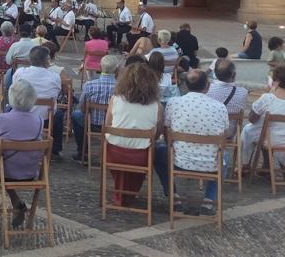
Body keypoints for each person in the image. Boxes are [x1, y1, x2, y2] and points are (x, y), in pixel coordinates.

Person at [163, 69, 229, 216]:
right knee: (224, 156)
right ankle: (209, 201)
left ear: (185, 85)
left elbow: (167, 133)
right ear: (207, 85)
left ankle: (175, 198)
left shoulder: (173, 103)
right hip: (210, 163)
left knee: (161, 151)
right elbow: (224, 138)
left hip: (179, 160)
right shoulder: (220, 107)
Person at [103, 61, 167, 207]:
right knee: (152, 149)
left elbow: (107, 125)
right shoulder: (157, 106)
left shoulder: (115, 100)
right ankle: (129, 193)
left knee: (115, 146)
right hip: (141, 156)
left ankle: (121, 193)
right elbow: (156, 135)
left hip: (114, 153)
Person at [0, 80, 45, 228]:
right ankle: (16, 203)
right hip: (30, 172)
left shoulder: (2, 119)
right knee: (5, 164)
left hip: (5, 171)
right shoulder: (39, 120)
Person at [12, 46, 65, 158]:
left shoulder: (20, 73)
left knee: (9, 108)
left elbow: (14, 88)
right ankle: (55, 149)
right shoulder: (55, 77)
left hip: (22, 114)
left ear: (30, 59)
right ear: (47, 61)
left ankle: (11, 137)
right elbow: (57, 93)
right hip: (45, 118)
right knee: (59, 114)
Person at [71, 53, 120, 161]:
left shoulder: (90, 85)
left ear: (100, 67)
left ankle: (82, 151)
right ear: (116, 70)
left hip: (92, 123)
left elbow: (82, 107)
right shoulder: (121, 87)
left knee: (76, 114)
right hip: (113, 124)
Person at [242, 65, 285, 170]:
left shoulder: (267, 98)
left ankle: (245, 164)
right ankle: (266, 167)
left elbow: (252, 119)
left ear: (276, 81)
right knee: (264, 129)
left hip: (272, 141)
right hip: (281, 141)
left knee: (249, 130)